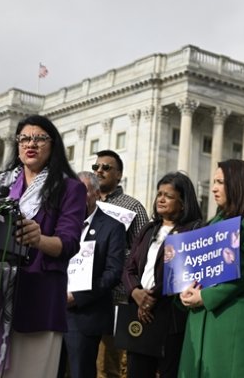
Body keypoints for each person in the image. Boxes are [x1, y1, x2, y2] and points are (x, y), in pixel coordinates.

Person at [0, 114, 86, 378]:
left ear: (53, 145)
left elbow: (68, 243)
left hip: (36, 294)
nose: (30, 144)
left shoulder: (70, 188)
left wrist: (38, 238)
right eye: (24, 138)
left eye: (39, 138)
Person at [179, 159, 244, 377]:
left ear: (238, 184)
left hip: (238, 317)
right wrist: (187, 288)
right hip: (203, 316)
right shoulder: (214, 222)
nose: (213, 187)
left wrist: (206, 296)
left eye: (220, 182)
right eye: (214, 181)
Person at [119, 172, 203, 378]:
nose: (161, 199)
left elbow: (179, 272)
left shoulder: (194, 230)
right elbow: (129, 266)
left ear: (183, 203)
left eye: (169, 195)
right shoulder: (149, 228)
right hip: (139, 312)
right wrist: (136, 293)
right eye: (159, 194)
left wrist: (150, 298)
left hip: (170, 316)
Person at [92, 149, 150, 378]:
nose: (100, 171)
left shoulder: (132, 207)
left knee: (110, 364)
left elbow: (141, 251)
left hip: (115, 296)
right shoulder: (86, 201)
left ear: (119, 175)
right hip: (83, 294)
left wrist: (115, 254)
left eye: (106, 168)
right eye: (96, 167)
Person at [62, 172, 126, 378]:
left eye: (82, 191)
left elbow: (113, 273)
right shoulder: (60, 225)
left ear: (97, 194)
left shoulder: (113, 227)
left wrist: (77, 297)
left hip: (84, 317)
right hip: (53, 313)